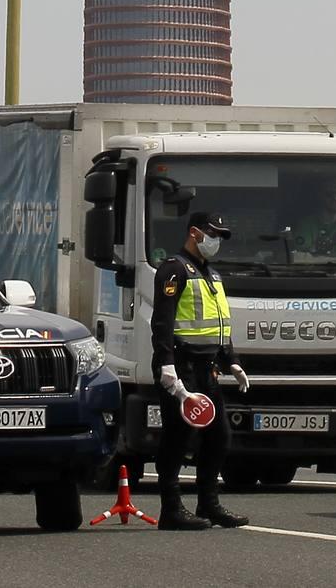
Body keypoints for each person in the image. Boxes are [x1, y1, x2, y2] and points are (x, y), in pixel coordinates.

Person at [150, 211, 250, 531]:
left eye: (221, 235)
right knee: (178, 438)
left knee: (219, 436)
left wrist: (231, 359)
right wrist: (166, 366)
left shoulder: (212, 275)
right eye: (213, 233)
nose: (217, 240)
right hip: (181, 367)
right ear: (195, 233)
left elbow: (220, 324)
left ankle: (209, 502)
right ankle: (171, 508)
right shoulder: (173, 270)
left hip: (208, 369)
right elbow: (163, 323)